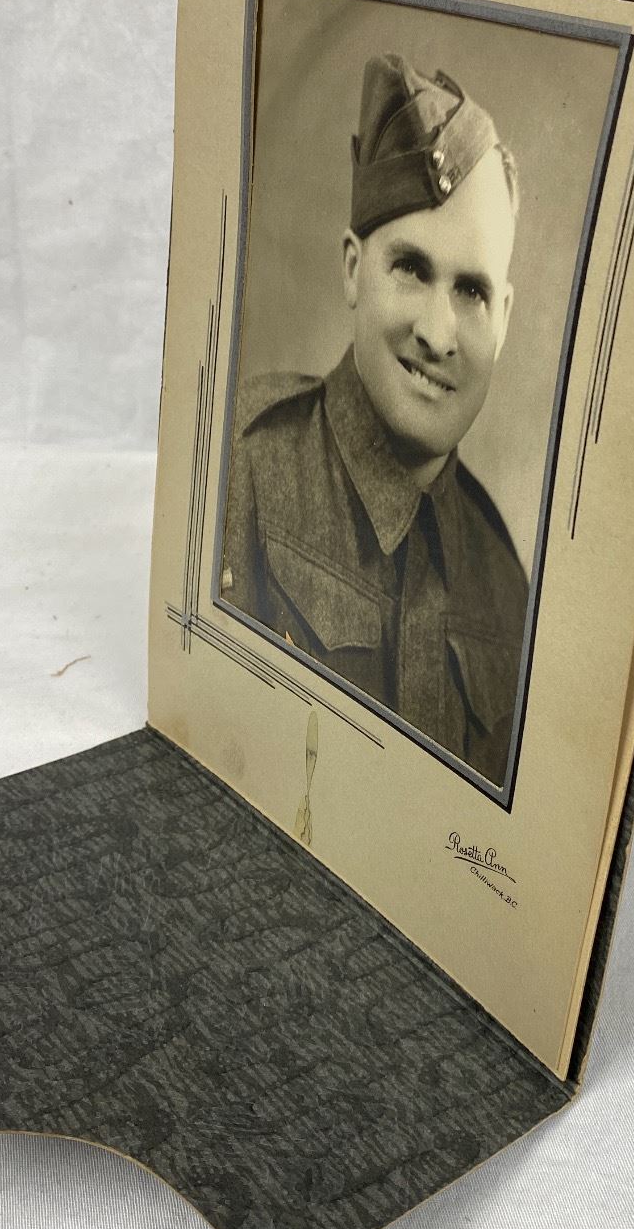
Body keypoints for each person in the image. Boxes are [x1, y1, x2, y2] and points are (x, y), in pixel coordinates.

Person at [220, 51, 528, 786]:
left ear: (503, 322)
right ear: (355, 269)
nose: (438, 334)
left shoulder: (506, 584)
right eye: (412, 268)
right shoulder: (243, 462)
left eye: (473, 292)